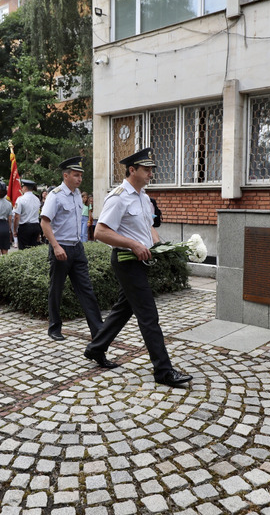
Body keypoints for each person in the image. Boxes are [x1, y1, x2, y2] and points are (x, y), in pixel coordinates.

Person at [84, 148, 193, 388]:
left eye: (151, 169)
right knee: (148, 315)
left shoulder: (143, 197)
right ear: (132, 170)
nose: (150, 174)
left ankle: (96, 348)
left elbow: (148, 228)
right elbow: (100, 232)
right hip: (126, 261)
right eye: (146, 170)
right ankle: (163, 371)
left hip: (140, 261)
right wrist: (133, 244)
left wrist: (161, 247)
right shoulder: (119, 196)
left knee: (123, 309)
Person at [40, 157, 104, 342]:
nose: (79, 179)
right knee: (57, 289)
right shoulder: (56, 195)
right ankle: (54, 327)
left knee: (87, 290)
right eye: (76, 175)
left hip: (77, 248)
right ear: (65, 175)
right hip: (61, 248)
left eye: (81, 176)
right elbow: (45, 223)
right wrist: (56, 246)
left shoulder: (77, 194)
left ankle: (98, 331)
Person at [14, 179, 42, 249]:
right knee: (33, 249)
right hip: (36, 226)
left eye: (22, 187)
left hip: (25, 227)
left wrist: (15, 229)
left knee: (23, 249)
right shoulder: (37, 199)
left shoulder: (20, 199)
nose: (21, 189)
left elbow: (17, 216)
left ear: (25, 188)